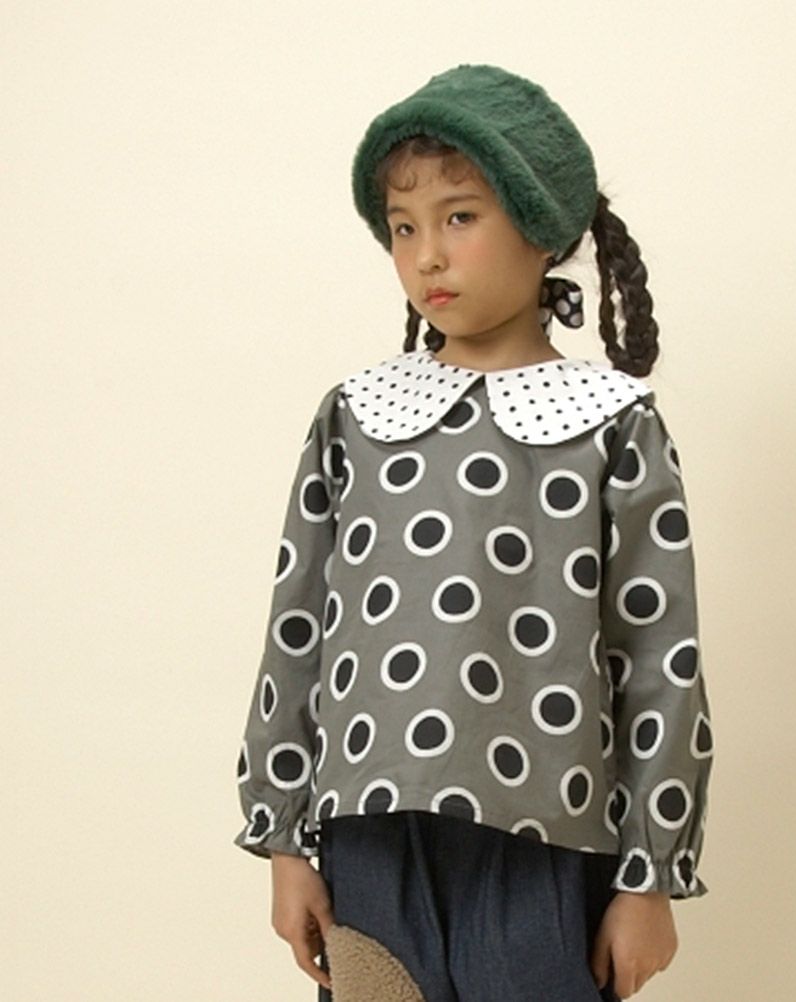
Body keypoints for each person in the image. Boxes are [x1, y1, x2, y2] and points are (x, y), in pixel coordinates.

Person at [233, 63, 714, 1002]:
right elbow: (297, 631)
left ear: (539, 229)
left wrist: (649, 878)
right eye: (403, 228)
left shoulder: (611, 423)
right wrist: (285, 841)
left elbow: (660, 657)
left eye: (459, 217)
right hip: (370, 836)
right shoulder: (355, 416)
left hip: (547, 845)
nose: (427, 256)